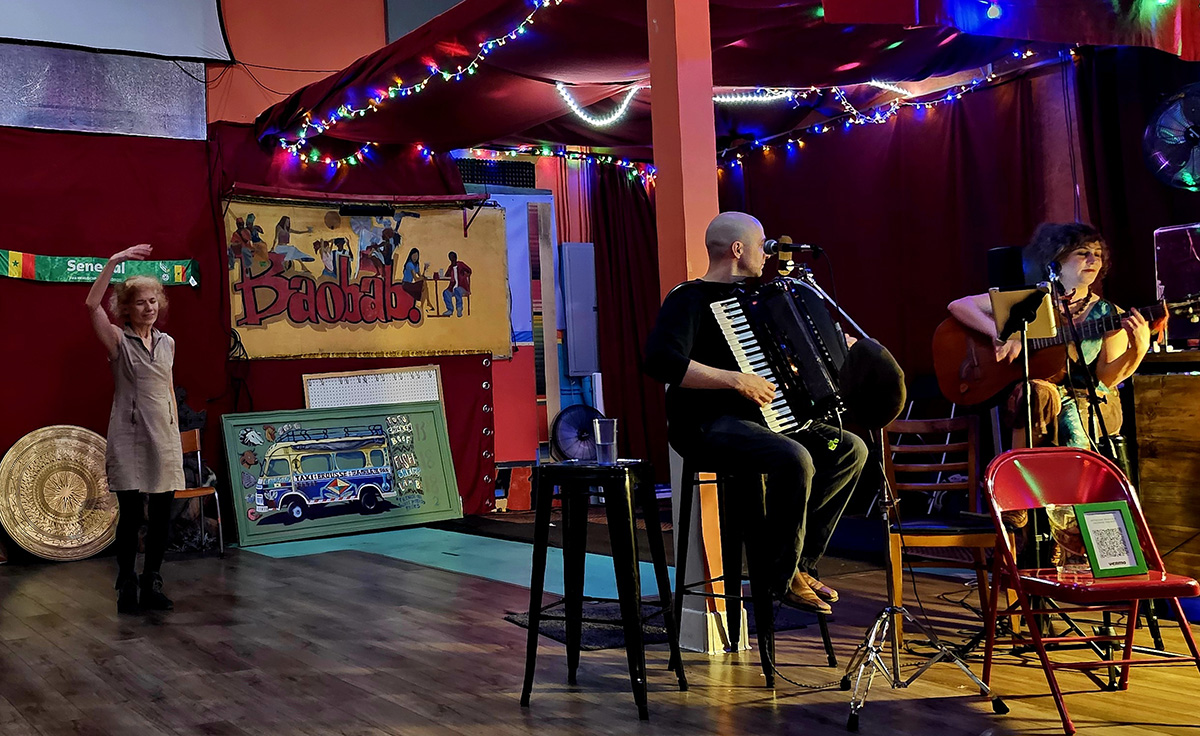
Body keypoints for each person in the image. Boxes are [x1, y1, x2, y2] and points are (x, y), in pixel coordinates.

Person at [644, 211, 868, 615]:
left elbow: (783, 363)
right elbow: (661, 361)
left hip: (767, 421)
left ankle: (800, 564)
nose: (766, 253)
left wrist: (831, 351)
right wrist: (734, 380)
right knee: (794, 457)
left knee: (850, 449)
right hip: (706, 425)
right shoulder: (688, 298)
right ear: (737, 249)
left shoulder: (758, 302)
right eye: (761, 244)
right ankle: (780, 574)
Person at [947, 222, 1151, 448]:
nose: (1092, 260)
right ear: (1057, 259)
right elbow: (960, 306)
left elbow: (1106, 379)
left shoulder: (1108, 314)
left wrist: (1138, 349)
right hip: (1034, 396)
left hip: (1088, 401)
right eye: (1083, 253)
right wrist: (1002, 334)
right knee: (1034, 394)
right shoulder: (1033, 300)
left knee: (1062, 413)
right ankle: (1023, 467)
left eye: (1098, 254)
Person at [86, 244, 185, 614]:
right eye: (141, 302)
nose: (149, 308)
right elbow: (91, 306)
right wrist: (114, 262)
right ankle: (126, 582)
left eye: (153, 301)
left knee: (161, 516)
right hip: (129, 434)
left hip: (164, 435)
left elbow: (169, 390)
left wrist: (175, 435)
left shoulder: (167, 343)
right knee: (130, 515)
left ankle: (152, 580)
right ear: (126, 307)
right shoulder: (117, 340)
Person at [401, 247, 437, 314]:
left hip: (411, 284)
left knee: (424, 285)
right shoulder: (409, 264)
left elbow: (420, 276)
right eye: (414, 256)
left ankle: (425, 304)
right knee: (423, 285)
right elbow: (416, 278)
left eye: (416, 256)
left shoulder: (416, 265)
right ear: (410, 256)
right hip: (406, 284)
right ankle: (426, 303)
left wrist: (424, 270)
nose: (415, 257)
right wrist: (423, 278)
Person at [441, 251, 472, 318]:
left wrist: (465, 273)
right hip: (452, 288)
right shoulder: (450, 267)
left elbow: (469, 270)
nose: (452, 259)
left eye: (453, 257)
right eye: (450, 257)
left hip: (462, 288)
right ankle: (450, 309)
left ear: (456, 257)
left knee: (457, 290)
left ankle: (459, 308)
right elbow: (446, 275)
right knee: (446, 292)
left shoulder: (461, 264)